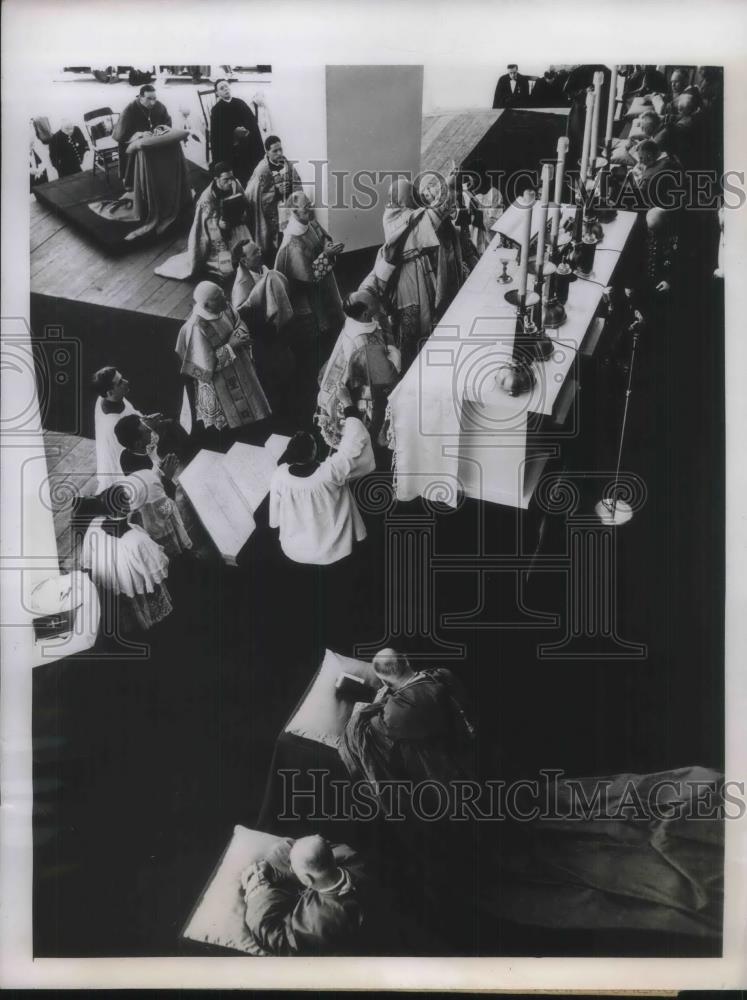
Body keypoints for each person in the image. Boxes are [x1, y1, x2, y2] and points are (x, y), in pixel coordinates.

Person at [338, 648, 476, 812]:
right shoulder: (443, 674)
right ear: (406, 659)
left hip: (453, 775)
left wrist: (367, 709)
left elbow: (364, 732)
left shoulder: (397, 712)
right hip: (476, 749)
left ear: (385, 682)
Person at [364, 172, 464, 372]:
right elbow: (429, 218)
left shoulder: (404, 212)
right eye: (411, 193)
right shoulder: (396, 218)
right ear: (400, 198)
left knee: (427, 319)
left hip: (419, 271)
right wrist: (447, 186)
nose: (415, 196)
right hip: (408, 280)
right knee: (413, 325)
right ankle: (411, 368)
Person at [269, 411, 375, 565]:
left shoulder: (280, 474)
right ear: (314, 451)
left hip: (296, 550)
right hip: (334, 550)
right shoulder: (329, 472)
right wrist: (352, 415)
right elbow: (354, 449)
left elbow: (275, 518)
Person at [274, 190, 346, 413]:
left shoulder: (310, 223)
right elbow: (308, 279)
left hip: (324, 289)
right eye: (306, 207)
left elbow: (324, 238)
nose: (310, 210)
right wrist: (326, 255)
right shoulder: (292, 244)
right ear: (295, 212)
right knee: (315, 350)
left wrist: (328, 248)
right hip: (308, 301)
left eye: (310, 205)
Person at [239, 835, 368, 956]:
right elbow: (310, 848)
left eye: (293, 869)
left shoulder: (317, 926)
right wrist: (267, 864)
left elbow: (274, 935)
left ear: (307, 880)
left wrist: (257, 884)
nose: (290, 869)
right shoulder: (350, 855)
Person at [176, 281, 270, 436]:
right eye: (219, 297)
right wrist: (231, 346)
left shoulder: (223, 307)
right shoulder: (197, 328)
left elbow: (239, 323)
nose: (225, 299)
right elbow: (204, 369)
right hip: (222, 387)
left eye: (222, 293)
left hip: (242, 369)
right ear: (206, 305)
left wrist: (239, 334)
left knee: (256, 410)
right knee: (238, 430)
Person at [80, 485, 173, 633]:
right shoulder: (137, 539)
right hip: (141, 591)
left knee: (130, 617)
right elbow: (160, 564)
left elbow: (87, 561)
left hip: (113, 589)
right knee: (152, 610)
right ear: (125, 508)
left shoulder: (94, 526)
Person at [316, 288, 400, 449]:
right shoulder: (363, 342)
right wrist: (392, 348)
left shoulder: (354, 320)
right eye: (372, 302)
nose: (376, 301)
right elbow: (386, 375)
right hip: (366, 384)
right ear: (365, 314)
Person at [230, 238, 296, 420]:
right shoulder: (241, 286)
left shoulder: (265, 271)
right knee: (274, 377)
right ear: (244, 261)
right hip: (264, 337)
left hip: (278, 330)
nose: (260, 253)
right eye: (255, 252)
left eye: (258, 250)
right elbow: (242, 317)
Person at [155, 161, 253, 283]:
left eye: (231, 178)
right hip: (216, 231)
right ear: (216, 179)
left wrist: (242, 214)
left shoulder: (235, 184)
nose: (230, 182)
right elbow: (205, 222)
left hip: (236, 223)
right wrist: (219, 225)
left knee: (250, 254)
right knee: (227, 270)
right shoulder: (206, 198)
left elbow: (244, 202)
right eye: (226, 180)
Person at [114, 414, 192, 557]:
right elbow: (164, 509)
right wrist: (167, 478)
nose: (151, 431)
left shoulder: (127, 453)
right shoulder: (144, 475)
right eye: (146, 431)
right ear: (138, 443)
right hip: (158, 521)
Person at [92, 367, 162, 494]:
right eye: (120, 382)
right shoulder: (114, 426)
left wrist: (144, 420)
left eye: (122, 378)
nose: (126, 382)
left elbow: (131, 414)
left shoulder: (112, 398)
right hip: (125, 467)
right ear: (109, 393)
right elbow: (131, 456)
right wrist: (149, 428)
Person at [244, 135, 303, 262]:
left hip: (288, 210)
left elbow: (297, 183)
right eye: (275, 151)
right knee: (274, 244)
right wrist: (276, 192)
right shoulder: (263, 169)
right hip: (271, 215)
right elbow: (254, 195)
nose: (279, 153)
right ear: (267, 152)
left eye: (280, 149)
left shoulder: (287, 164)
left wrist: (292, 190)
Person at [209, 78, 265, 186]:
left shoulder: (240, 103)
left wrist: (246, 129)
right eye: (221, 88)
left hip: (247, 142)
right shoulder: (216, 110)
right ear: (217, 93)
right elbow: (217, 135)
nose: (225, 89)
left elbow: (252, 121)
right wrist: (233, 133)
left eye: (226, 86)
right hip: (231, 147)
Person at [113, 84, 172, 185]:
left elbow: (167, 123)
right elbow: (121, 136)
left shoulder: (159, 106)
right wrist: (139, 134)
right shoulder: (129, 110)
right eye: (149, 99)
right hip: (134, 144)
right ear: (140, 97)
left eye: (154, 98)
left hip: (155, 141)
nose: (153, 102)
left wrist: (159, 130)